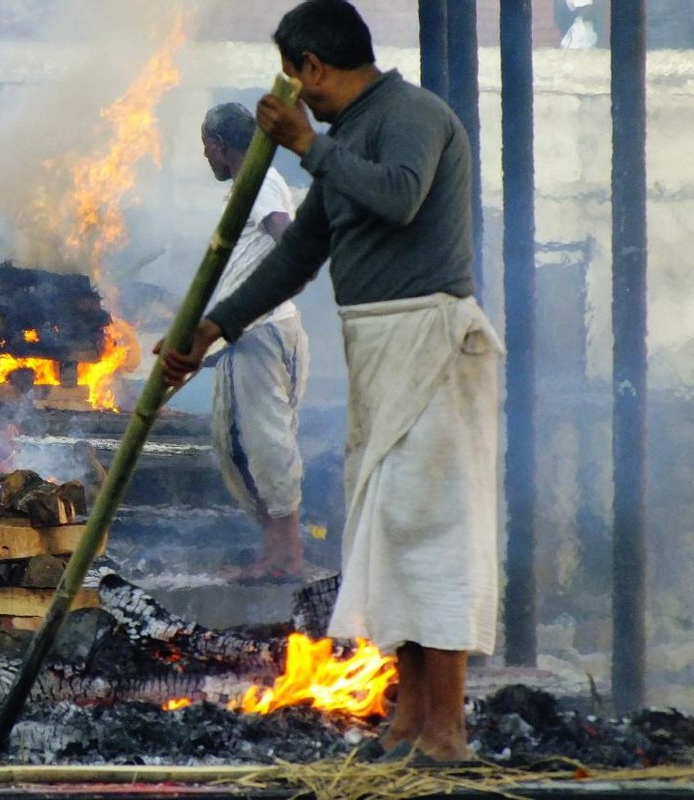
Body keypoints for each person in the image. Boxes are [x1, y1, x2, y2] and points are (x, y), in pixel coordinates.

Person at [159, 0, 503, 765]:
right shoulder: (344, 139)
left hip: (431, 339)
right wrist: (213, 327)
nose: (296, 94)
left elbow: (399, 195)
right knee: (389, 532)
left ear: (313, 66)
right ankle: (410, 719)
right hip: (378, 348)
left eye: (297, 76)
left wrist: (310, 146)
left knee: (433, 531)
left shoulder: (413, 114)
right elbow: (298, 254)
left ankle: (447, 732)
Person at [199, 102, 310, 581]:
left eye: (207, 149)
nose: (207, 160)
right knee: (236, 445)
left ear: (221, 145)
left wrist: (259, 300)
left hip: (261, 333)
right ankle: (274, 551)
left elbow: (286, 238)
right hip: (249, 334)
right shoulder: (253, 184)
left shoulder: (259, 182)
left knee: (264, 444)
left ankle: (287, 555)